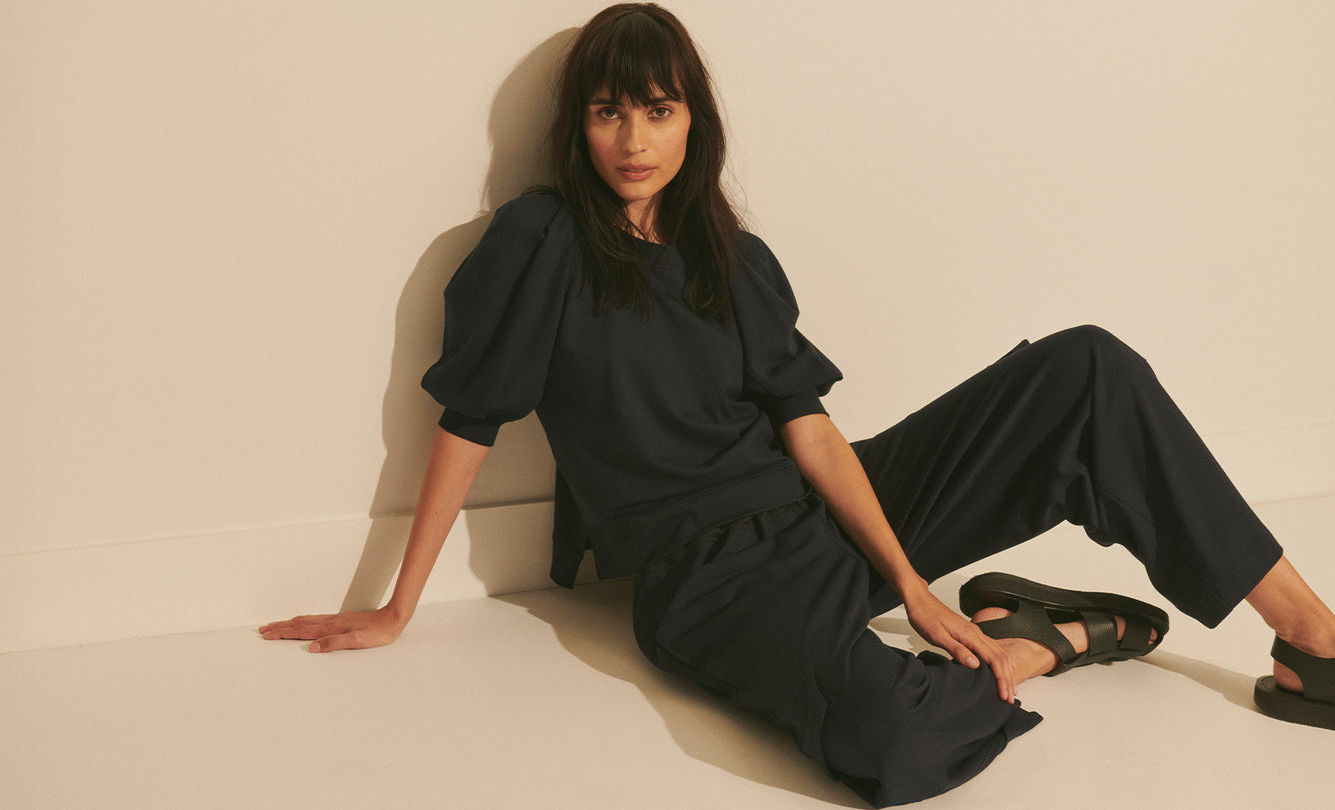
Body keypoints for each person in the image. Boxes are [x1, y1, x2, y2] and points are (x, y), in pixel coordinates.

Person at [260, 4, 1335, 806]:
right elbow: (470, 418)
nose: (634, 138)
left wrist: (911, 580)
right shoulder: (538, 244)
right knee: (892, 744)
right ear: (579, 127)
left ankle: (1308, 637)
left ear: (695, 124)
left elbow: (807, 427)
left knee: (1086, 368)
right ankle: (1040, 639)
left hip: (824, 514)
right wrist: (398, 604)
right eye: (608, 111)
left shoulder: (736, 256)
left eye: (659, 109)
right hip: (709, 578)